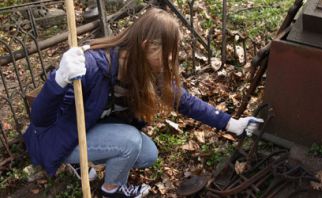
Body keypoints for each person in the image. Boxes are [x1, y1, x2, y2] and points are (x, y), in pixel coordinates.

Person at [23, 8, 263, 198]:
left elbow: (184, 101)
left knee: (147, 153)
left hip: (89, 129)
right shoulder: (92, 68)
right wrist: (59, 79)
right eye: (169, 52)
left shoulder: (145, 70)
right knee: (129, 142)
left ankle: (85, 162)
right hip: (56, 138)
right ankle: (112, 190)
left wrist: (231, 124)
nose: (172, 59)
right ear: (147, 46)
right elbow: (41, 120)